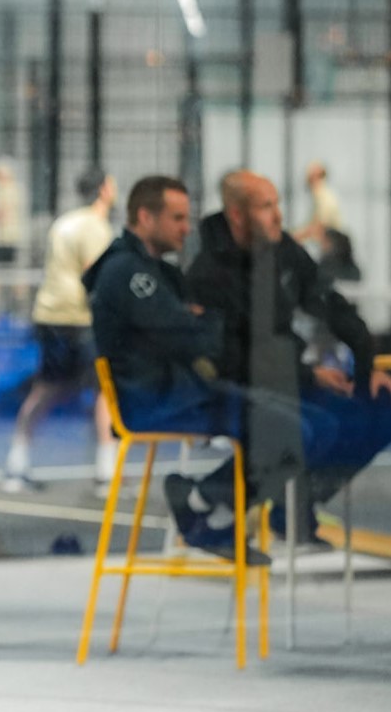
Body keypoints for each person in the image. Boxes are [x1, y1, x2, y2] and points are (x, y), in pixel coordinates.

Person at [84, 175, 311, 564]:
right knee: (291, 430)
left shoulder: (157, 271)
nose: (187, 228)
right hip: (156, 400)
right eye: (177, 218)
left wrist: (194, 322)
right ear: (145, 216)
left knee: (295, 426)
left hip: (178, 391)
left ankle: (205, 507)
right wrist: (195, 322)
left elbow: (187, 328)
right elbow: (185, 335)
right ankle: (202, 504)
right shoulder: (127, 271)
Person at [189, 170, 391, 542]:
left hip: (288, 377)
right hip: (237, 387)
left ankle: (295, 505)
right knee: (316, 426)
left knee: (382, 409)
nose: (279, 215)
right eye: (267, 207)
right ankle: (210, 495)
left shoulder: (282, 250)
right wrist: (310, 375)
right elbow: (239, 356)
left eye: (276, 204)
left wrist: (367, 367)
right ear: (237, 214)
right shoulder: (209, 273)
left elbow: (332, 304)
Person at [3, 168, 118, 492]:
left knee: (48, 387)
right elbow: (95, 275)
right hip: (78, 318)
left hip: (50, 314)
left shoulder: (65, 222)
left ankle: (17, 462)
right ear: (104, 190)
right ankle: (106, 474)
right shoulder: (95, 226)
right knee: (103, 392)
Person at [294, 161, 344, 250]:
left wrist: (295, 237)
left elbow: (319, 225)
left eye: (309, 176)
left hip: (330, 250)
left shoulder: (325, 197)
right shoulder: (319, 197)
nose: (306, 180)